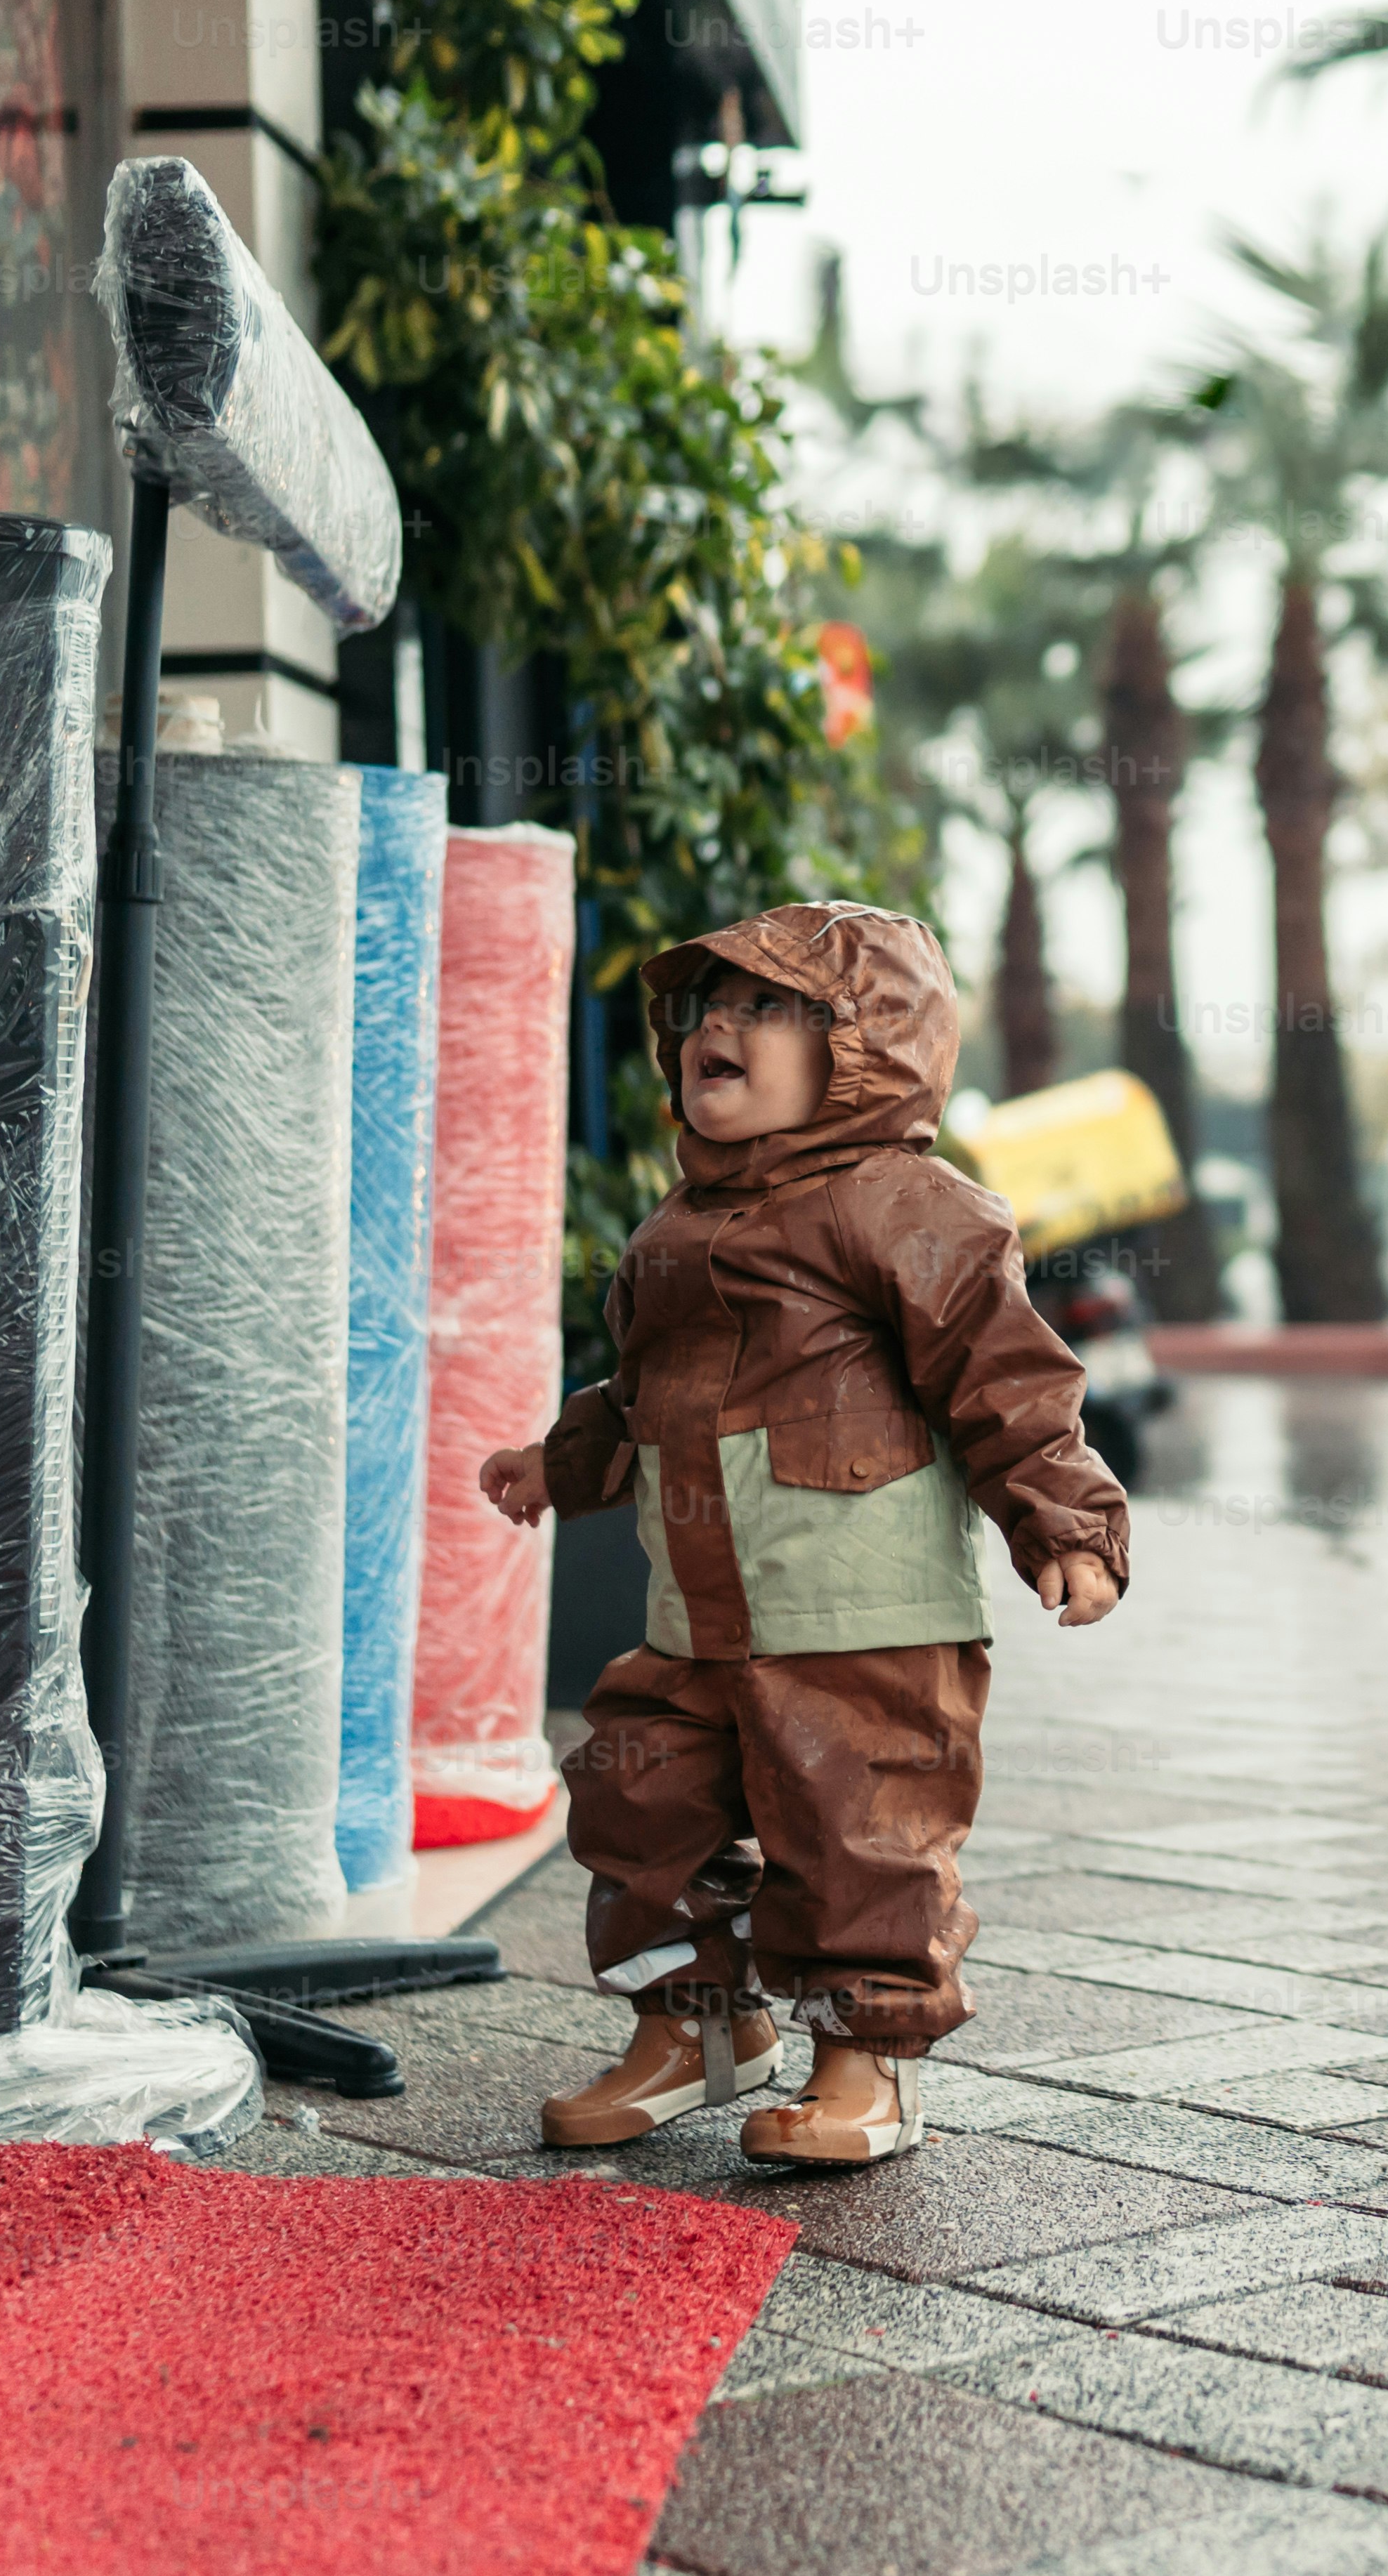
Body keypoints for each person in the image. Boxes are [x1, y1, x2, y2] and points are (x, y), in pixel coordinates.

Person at [476, 901, 1127, 2168]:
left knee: (856, 1832)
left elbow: (1009, 1381)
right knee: (636, 1798)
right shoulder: (675, 1232)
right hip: (698, 1618)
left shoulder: (904, 1207)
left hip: (858, 1617)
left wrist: (1067, 1521)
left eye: (768, 1006)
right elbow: (637, 1400)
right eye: (705, 1008)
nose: (716, 1026)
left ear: (869, 1045)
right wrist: (558, 1465)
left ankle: (862, 2063)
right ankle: (700, 2033)